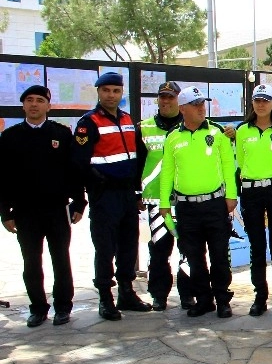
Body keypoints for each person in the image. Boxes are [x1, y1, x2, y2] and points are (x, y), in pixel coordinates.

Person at [0, 85, 86, 327]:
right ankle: (38, 308)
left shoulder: (60, 134)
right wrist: (5, 211)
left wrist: (79, 201)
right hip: (25, 211)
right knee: (31, 262)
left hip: (56, 209)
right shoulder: (10, 137)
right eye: (29, 100)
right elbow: (4, 178)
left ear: (48, 106)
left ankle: (63, 307)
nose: (34, 104)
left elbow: (73, 172)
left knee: (61, 260)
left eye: (39, 100)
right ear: (23, 105)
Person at [72, 71, 150, 320]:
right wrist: (96, 185)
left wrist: (137, 191)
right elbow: (80, 162)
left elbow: (136, 158)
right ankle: (105, 298)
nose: (111, 95)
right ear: (98, 92)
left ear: (121, 93)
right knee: (105, 248)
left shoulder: (127, 119)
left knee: (129, 244)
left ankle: (126, 293)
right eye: (106, 90)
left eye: (116, 91)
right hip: (104, 196)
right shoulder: (89, 122)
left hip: (127, 194)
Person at [159, 86, 238, 318]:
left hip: (214, 204)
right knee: (194, 256)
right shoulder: (173, 137)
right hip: (186, 207)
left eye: (202, 104)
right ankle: (204, 299)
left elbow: (228, 166)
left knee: (219, 255)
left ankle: (223, 299)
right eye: (195, 105)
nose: (201, 108)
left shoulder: (217, 133)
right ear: (182, 108)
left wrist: (231, 196)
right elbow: (167, 172)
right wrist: (165, 202)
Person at [235, 84, 272, 317]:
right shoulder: (242, 131)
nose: (261, 104)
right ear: (252, 103)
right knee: (257, 247)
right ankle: (260, 296)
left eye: (265, 100)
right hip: (251, 192)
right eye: (257, 100)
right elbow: (238, 161)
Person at [137, 81, 193, 312]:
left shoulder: (191, 127)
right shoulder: (144, 127)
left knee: (188, 250)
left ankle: (188, 295)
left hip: (185, 199)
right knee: (159, 249)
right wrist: (137, 193)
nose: (166, 101)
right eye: (163, 97)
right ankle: (159, 295)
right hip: (157, 201)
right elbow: (138, 163)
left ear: (179, 100)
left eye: (171, 97)